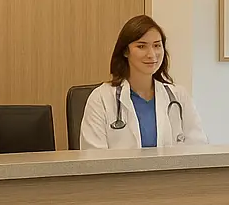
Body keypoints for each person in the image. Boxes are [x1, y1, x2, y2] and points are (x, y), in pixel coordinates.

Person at [79, 14, 208, 149]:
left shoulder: (179, 96)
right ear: (125, 51)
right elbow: (93, 160)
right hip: (121, 171)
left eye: (157, 45)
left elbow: (198, 150)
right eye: (141, 46)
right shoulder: (101, 99)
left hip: (170, 171)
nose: (151, 54)